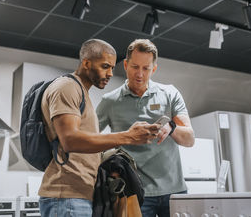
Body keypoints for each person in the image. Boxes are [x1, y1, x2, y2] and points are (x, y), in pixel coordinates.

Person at [38, 39, 160, 217]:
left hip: (77, 197)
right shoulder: (67, 87)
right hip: (66, 197)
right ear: (86, 63)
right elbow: (70, 140)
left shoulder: (82, 93)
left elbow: (83, 145)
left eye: (111, 67)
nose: (110, 73)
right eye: (105, 66)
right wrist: (127, 136)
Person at [96, 39, 195, 217]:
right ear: (125, 65)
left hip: (174, 191)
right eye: (135, 66)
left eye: (146, 68)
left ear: (154, 69)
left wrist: (172, 127)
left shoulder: (170, 94)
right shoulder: (110, 101)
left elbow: (189, 139)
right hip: (134, 192)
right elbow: (89, 139)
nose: (139, 74)